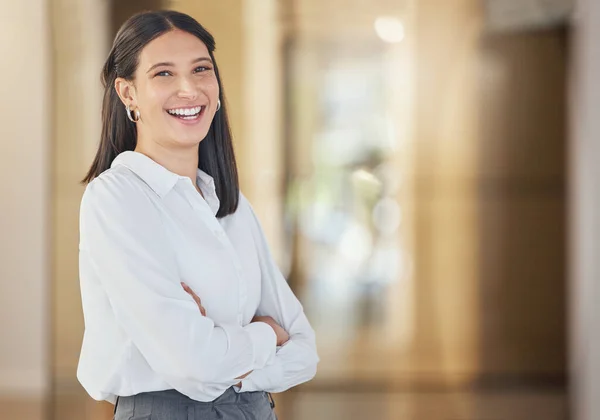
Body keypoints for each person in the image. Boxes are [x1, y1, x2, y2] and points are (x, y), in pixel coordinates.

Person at [76, 10, 319, 420]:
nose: (189, 89)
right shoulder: (117, 199)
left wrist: (223, 350)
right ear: (127, 93)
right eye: (164, 74)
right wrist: (266, 334)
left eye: (201, 69)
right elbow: (191, 364)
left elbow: (304, 352)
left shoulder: (229, 203)